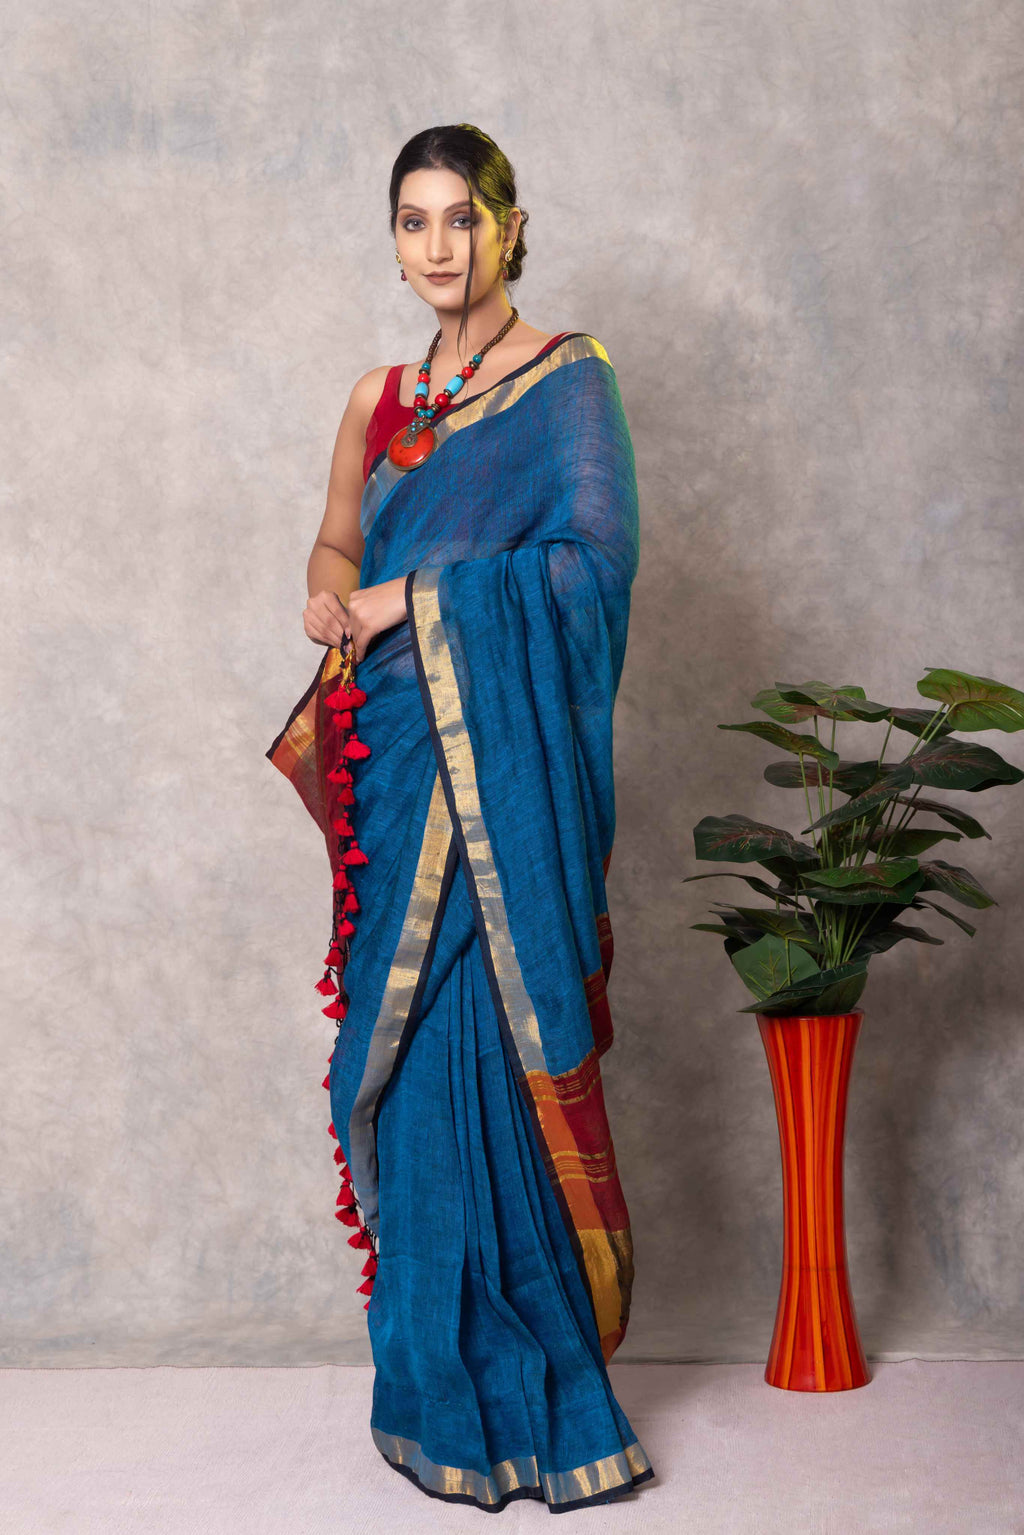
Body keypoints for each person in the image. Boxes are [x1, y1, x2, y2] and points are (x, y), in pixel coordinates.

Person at [266, 122, 655, 1513]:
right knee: (404, 1058)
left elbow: (589, 569)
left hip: (493, 768)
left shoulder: (567, 383)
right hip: (394, 753)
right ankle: (428, 1370)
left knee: (484, 1041)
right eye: (414, 222)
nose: (439, 246)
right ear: (397, 238)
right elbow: (334, 535)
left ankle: (539, 1378)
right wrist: (330, 591)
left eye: (461, 219)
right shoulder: (378, 397)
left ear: (508, 224)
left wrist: (410, 605)